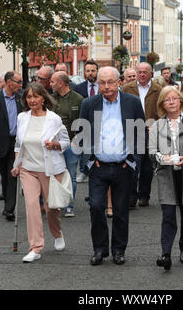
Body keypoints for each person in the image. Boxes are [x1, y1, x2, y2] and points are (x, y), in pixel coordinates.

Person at [77, 66, 146, 266]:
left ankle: (118, 250)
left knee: (121, 210)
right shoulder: (89, 104)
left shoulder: (131, 103)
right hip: (98, 166)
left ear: (119, 82)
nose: (106, 87)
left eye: (110, 82)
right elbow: (82, 134)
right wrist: (89, 161)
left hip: (123, 166)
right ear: (97, 84)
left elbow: (140, 133)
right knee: (96, 207)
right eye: (102, 83)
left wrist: (134, 161)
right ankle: (99, 249)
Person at [11, 82, 69, 263]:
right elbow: (19, 143)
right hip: (28, 170)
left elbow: (66, 141)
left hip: (50, 169)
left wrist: (56, 145)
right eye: (29, 97)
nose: (32, 100)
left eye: (36, 96)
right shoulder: (22, 117)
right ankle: (35, 247)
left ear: (43, 98)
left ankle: (57, 233)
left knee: (52, 208)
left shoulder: (54, 119)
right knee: (31, 206)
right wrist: (17, 163)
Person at [149, 86, 183, 271]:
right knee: (168, 215)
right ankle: (165, 254)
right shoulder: (157, 125)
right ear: (162, 104)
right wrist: (161, 158)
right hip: (166, 174)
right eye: (167, 99)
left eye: (174, 98)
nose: (171, 101)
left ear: (181, 101)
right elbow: (151, 151)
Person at [122, 62, 162, 208]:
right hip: (132, 132)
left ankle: (144, 195)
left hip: (151, 133)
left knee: (147, 168)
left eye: (145, 72)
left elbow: (162, 112)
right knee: (132, 165)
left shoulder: (158, 90)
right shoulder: (127, 88)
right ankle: (131, 196)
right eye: (140, 72)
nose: (142, 75)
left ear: (151, 73)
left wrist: (157, 126)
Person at [0, 71, 23, 221]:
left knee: (12, 175)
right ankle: (7, 200)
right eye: (18, 82)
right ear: (9, 82)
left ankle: (10, 209)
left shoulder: (21, 99)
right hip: (1, 143)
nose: (21, 85)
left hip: (17, 142)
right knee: (4, 175)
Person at [50, 71, 84, 218]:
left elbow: (82, 122)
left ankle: (70, 205)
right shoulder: (50, 99)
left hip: (71, 143)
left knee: (71, 176)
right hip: (53, 145)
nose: (50, 84)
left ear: (61, 83)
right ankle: (57, 203)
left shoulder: (78, 99)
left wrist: (76, 141)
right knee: (54, 174)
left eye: (52, 82)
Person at [74, 60, 99, 184]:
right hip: (85, 122)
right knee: (85, 148)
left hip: (100, 122)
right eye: (88, 71)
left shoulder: (103, 87)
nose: (90, 73)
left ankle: (96, 172)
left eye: (93, 71)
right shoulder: (79, 88)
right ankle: (84, 171)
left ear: (97, 72)